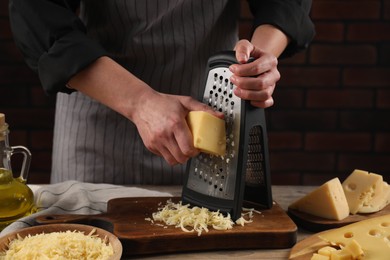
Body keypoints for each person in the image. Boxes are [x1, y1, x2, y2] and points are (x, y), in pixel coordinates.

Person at [8, 0, 315, 185]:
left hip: (212, 122)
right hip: (100, 130)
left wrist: (259, 60)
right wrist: (140, 103)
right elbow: (38, 14)